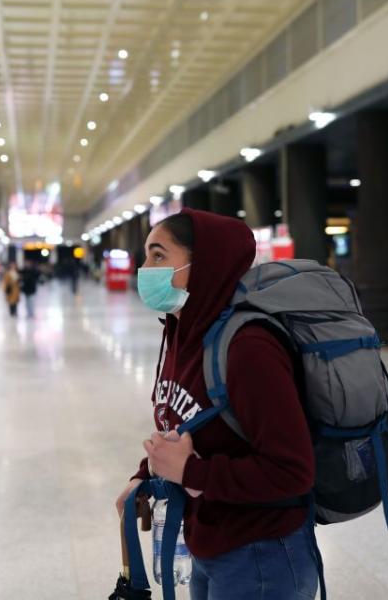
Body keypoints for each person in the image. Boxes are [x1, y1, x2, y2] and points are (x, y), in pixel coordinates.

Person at [115, 210, 318, 600]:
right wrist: (149, 473)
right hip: (209, 541)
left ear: (203, 263)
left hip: (262, 555)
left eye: (158, 256)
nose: (145, 269)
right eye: (146, 256)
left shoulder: (248, 348)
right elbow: (187, 425)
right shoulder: (184, 333)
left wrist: (192, 472)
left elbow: (293, 471)